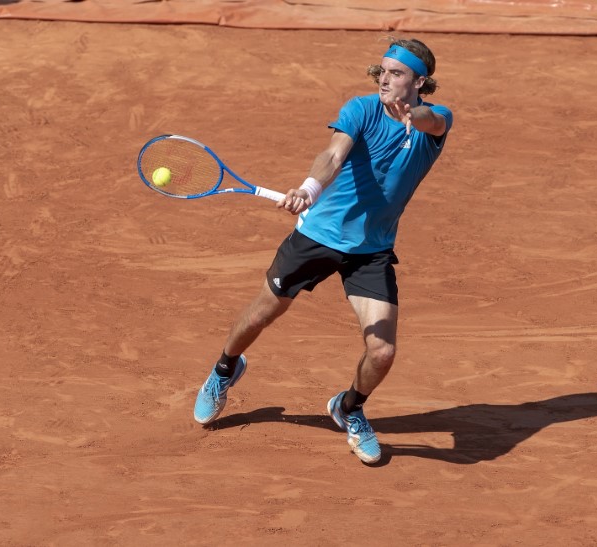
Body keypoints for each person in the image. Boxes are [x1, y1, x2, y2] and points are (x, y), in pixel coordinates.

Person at [193, 38, 453, 464]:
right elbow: (332, 156)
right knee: (261, 314)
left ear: (419, 81)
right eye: (382, 71)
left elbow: (431, 120)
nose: (384, 79)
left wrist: (415, 114)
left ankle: (349, 408)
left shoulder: (436, 120)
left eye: (397, 73)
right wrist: (310, 189)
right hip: (317, 236)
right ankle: (225, 369)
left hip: (371, 251)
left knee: (383, 351)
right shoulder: (361, 109)